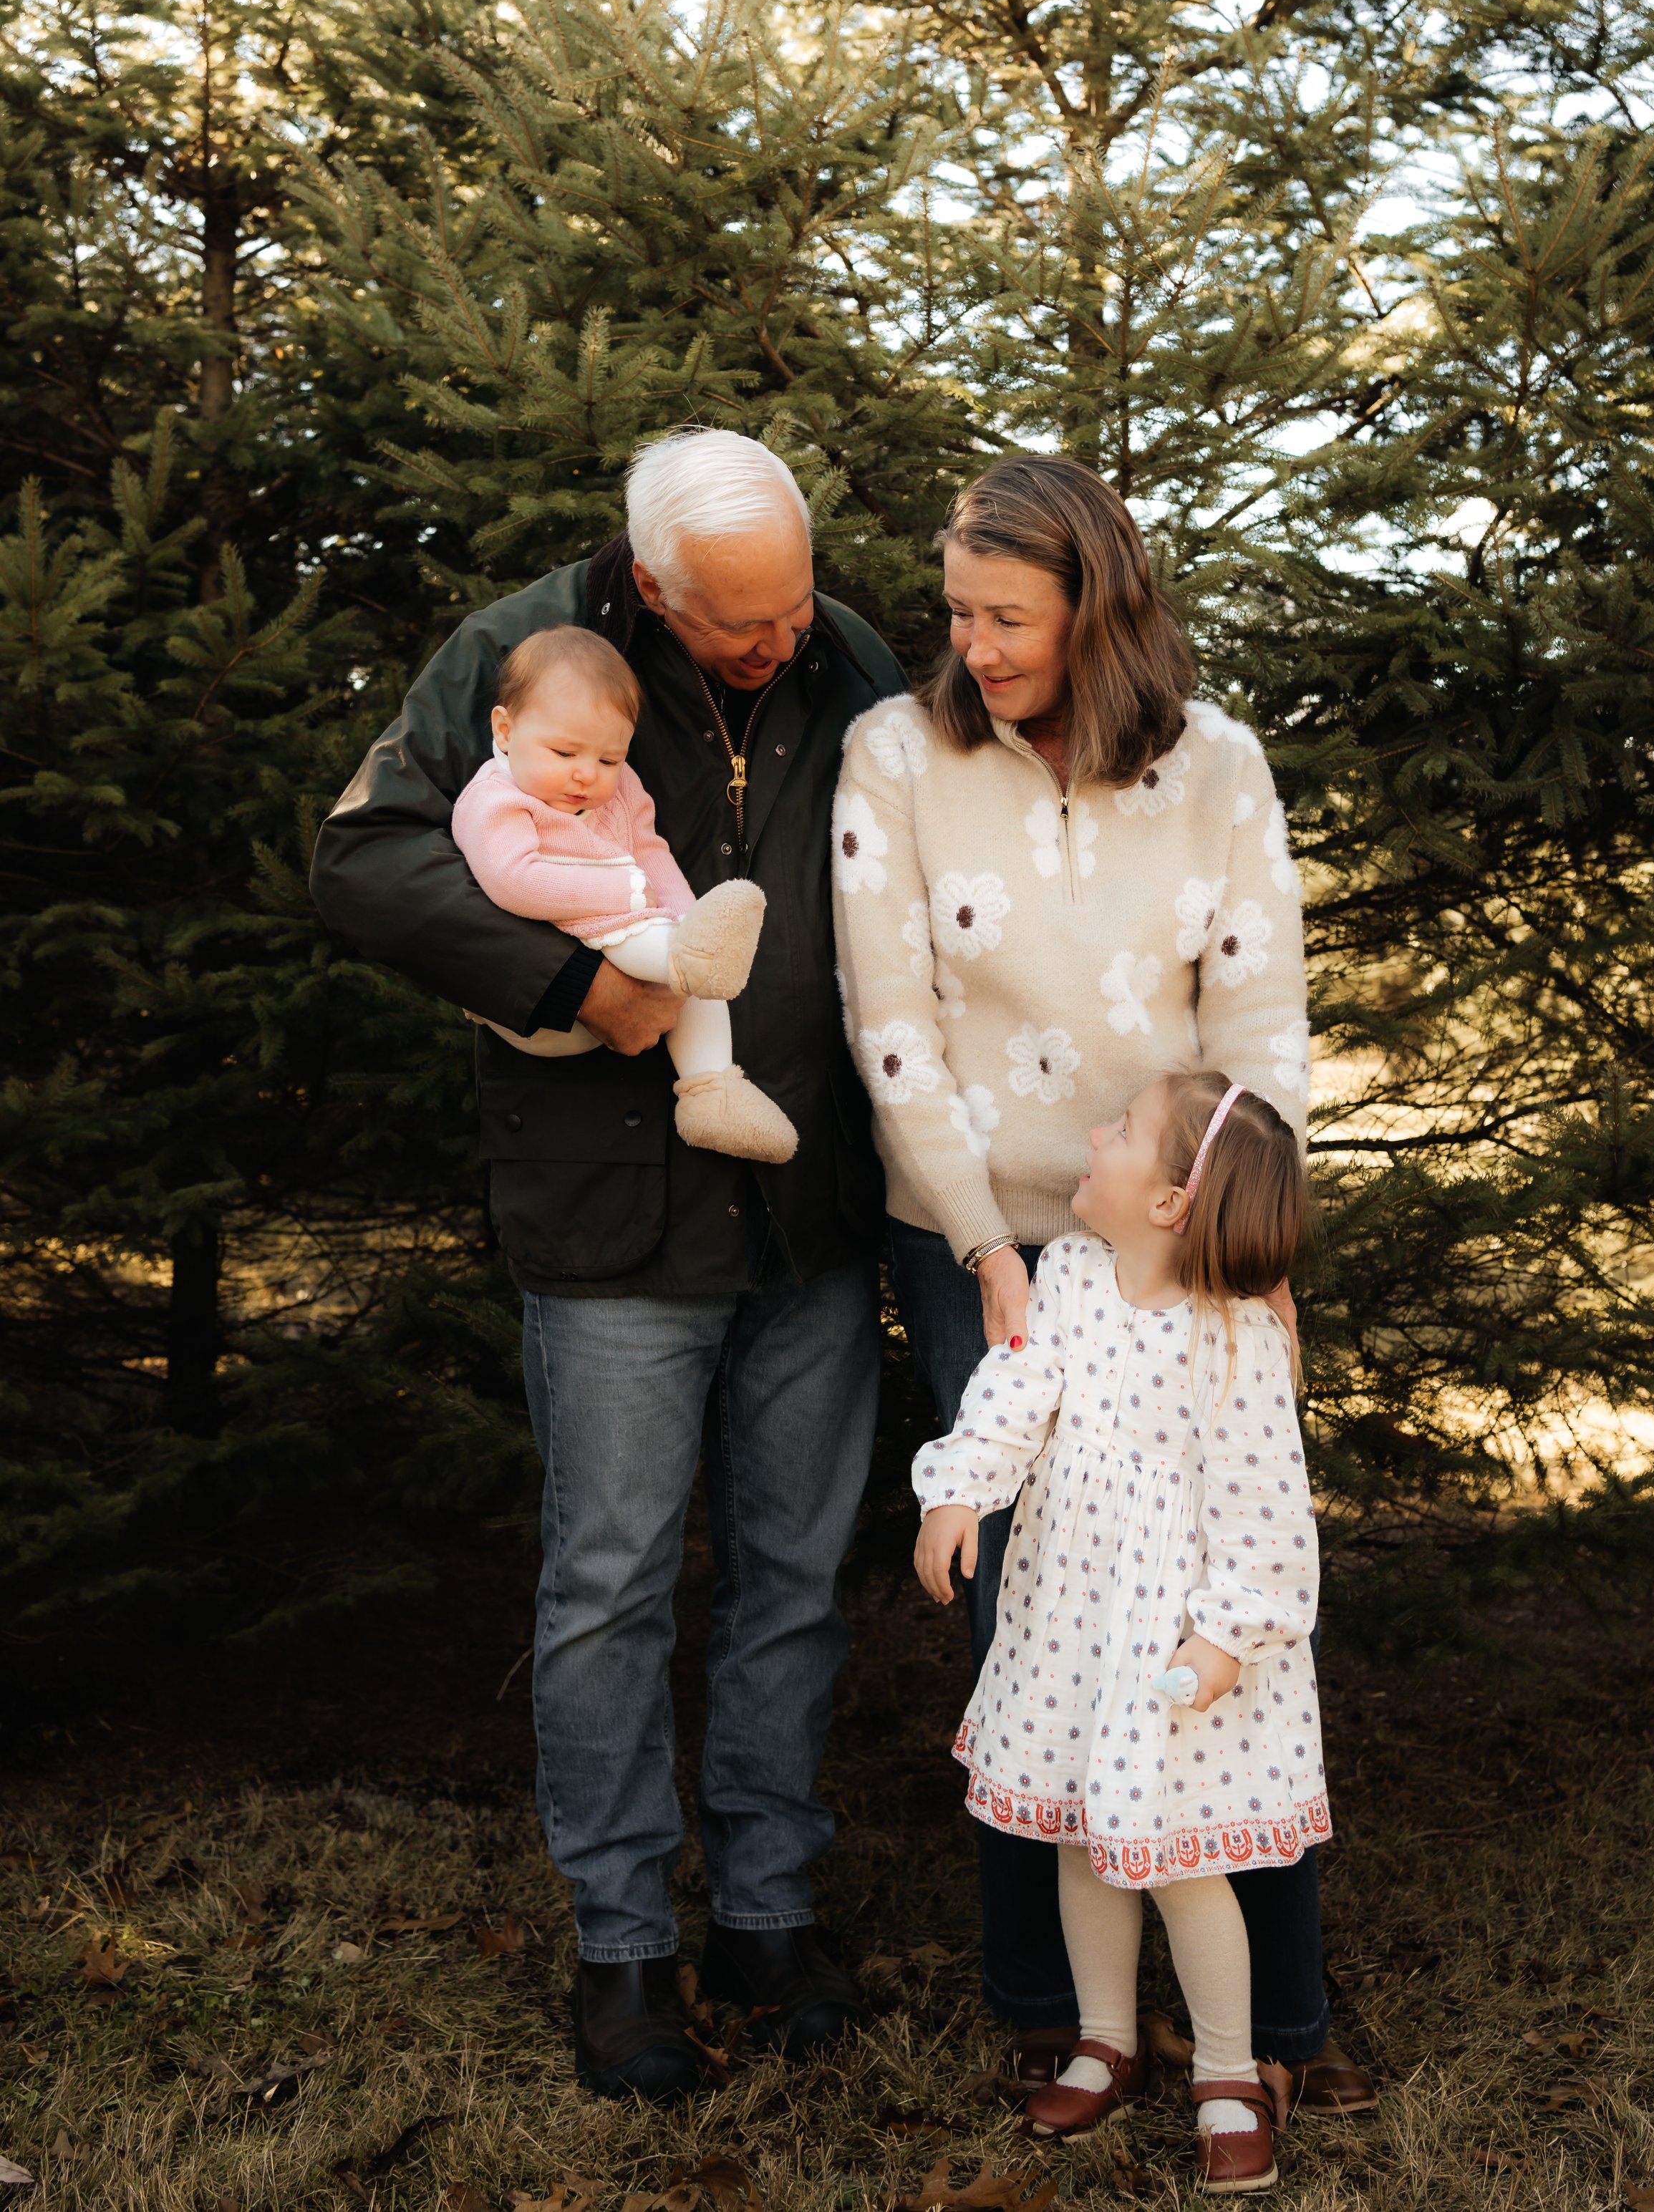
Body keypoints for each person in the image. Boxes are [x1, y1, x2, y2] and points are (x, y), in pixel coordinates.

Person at [309, 428, 905, 2100]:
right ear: (649, 585)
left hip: (808, 1199)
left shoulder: (842, 651)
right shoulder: (520, 651)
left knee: (793, 1579)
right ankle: (626, 1949)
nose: (779, 642)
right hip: (607, 1211)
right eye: (736, 623)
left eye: (793, 605)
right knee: (611, 1584)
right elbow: (364, 857)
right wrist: (577, 989)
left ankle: (769, 1916)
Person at [833, 452, 1375, 2116]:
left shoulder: (1219, 769)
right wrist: (980, 1241)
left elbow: (1260, 1020)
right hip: (988, 1239)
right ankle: (1058, 2004)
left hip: (1187, 1234)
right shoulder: (897, 754)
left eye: (1007, 615)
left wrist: (1245, 1251)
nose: (972, 644)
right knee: (1029, 1602)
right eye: (956, 612)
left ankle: (1274, 2023)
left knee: (1221, 1601)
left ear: (1099, 607)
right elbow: (889, 1016)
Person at [914, 1070, 1327, 2193]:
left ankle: (1230, 2071)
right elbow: (1012, 1398)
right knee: (1077, 1834)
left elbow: (1268, 1515)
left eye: (1126, 1129)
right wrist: (958, 1492)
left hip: (1173, 1655)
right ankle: (1106, 2038)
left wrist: (1225, 1638)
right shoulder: (1066, 1277)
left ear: (1169, 1202)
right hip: (1068, 1625)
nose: (1096, 1132)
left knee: (1182, 1860)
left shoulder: (1239, 1338)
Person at [452, 623, 798, 1161]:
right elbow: (514, 880)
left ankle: (711, 1091)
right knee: (681, 960)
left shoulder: (622, 788)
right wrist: (628, 893)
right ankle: (694, 961)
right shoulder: (494, 799)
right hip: (543, 1000)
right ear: (505, 729)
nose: (586, 776)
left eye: (608, 760)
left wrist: (687, 918)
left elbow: (651, 852)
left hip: (616, 936)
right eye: (564, 752)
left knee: (687, 967)